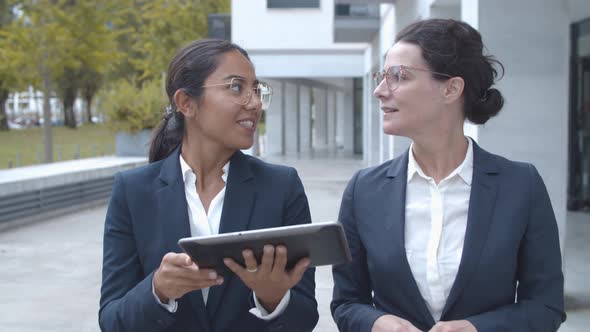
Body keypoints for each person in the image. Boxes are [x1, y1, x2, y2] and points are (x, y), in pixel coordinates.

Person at [331, 19, 565, 332]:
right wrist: (376, 323)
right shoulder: (364, 190)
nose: (379, 90)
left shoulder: (521, 186)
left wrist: (476, 329)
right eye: (381, 76)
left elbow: (545, 307)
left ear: (451, 88)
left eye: (398, 76)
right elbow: (346, 303)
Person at [99, 39, 318, 332]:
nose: (254, 103)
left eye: (256, 90)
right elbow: (113, 321)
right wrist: (158, 290)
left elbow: (305, 319)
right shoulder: (133, 191)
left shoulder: (282, 187)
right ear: (186, 103)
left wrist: (273, 297)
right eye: (236, 87)